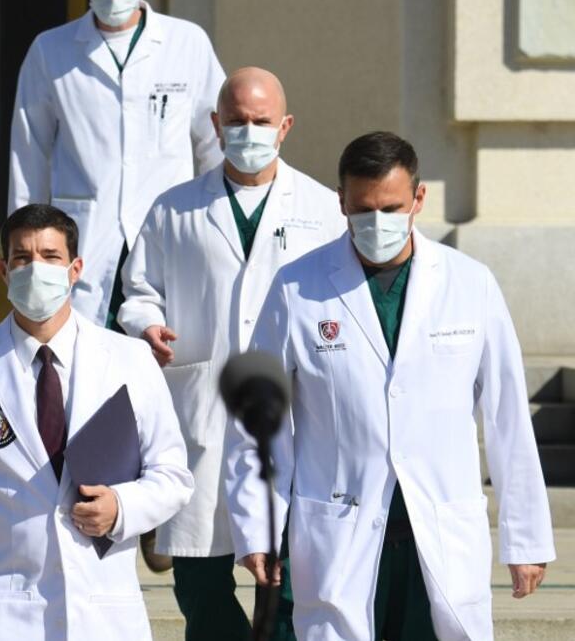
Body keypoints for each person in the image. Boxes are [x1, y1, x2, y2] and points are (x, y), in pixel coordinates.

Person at [226, 132, 555, 640]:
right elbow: (256, 420)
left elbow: (508, 416)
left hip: (439, 530)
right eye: (363, 210)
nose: (376, 223)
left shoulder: (470, 283)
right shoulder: (297, 287)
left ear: (418, 200)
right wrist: (257, 524)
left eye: (391, 207)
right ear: (341, 202)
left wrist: (527, 538)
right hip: (341, 528)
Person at [119, 67, 347, 640]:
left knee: (292, 577)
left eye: (262, 122)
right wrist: (146, 324)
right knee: (200, 581)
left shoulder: (321, 210)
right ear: (216, 126)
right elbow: (139, 290)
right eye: (238, 121)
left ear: (285, 126)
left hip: (292, 416)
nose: (250, 132)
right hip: (200, 411)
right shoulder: (173, 209)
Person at [0, 204, 194, 641]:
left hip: (103, 614)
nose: (35, 268)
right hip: (0, 619)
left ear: (75, 268)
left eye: (49, 256)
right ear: (4, 271)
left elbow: (173, 476)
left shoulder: (130, 359)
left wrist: (122, 507)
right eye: (22, 258)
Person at [9, 0, 225, 331]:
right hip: (86, 234)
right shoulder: (50, 50)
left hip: (165, 231)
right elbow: (29, 155)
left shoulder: (187, 43)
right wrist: (21, 248)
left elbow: (214, 144)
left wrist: (215, 227)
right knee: (81, 360)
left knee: (161, 357)